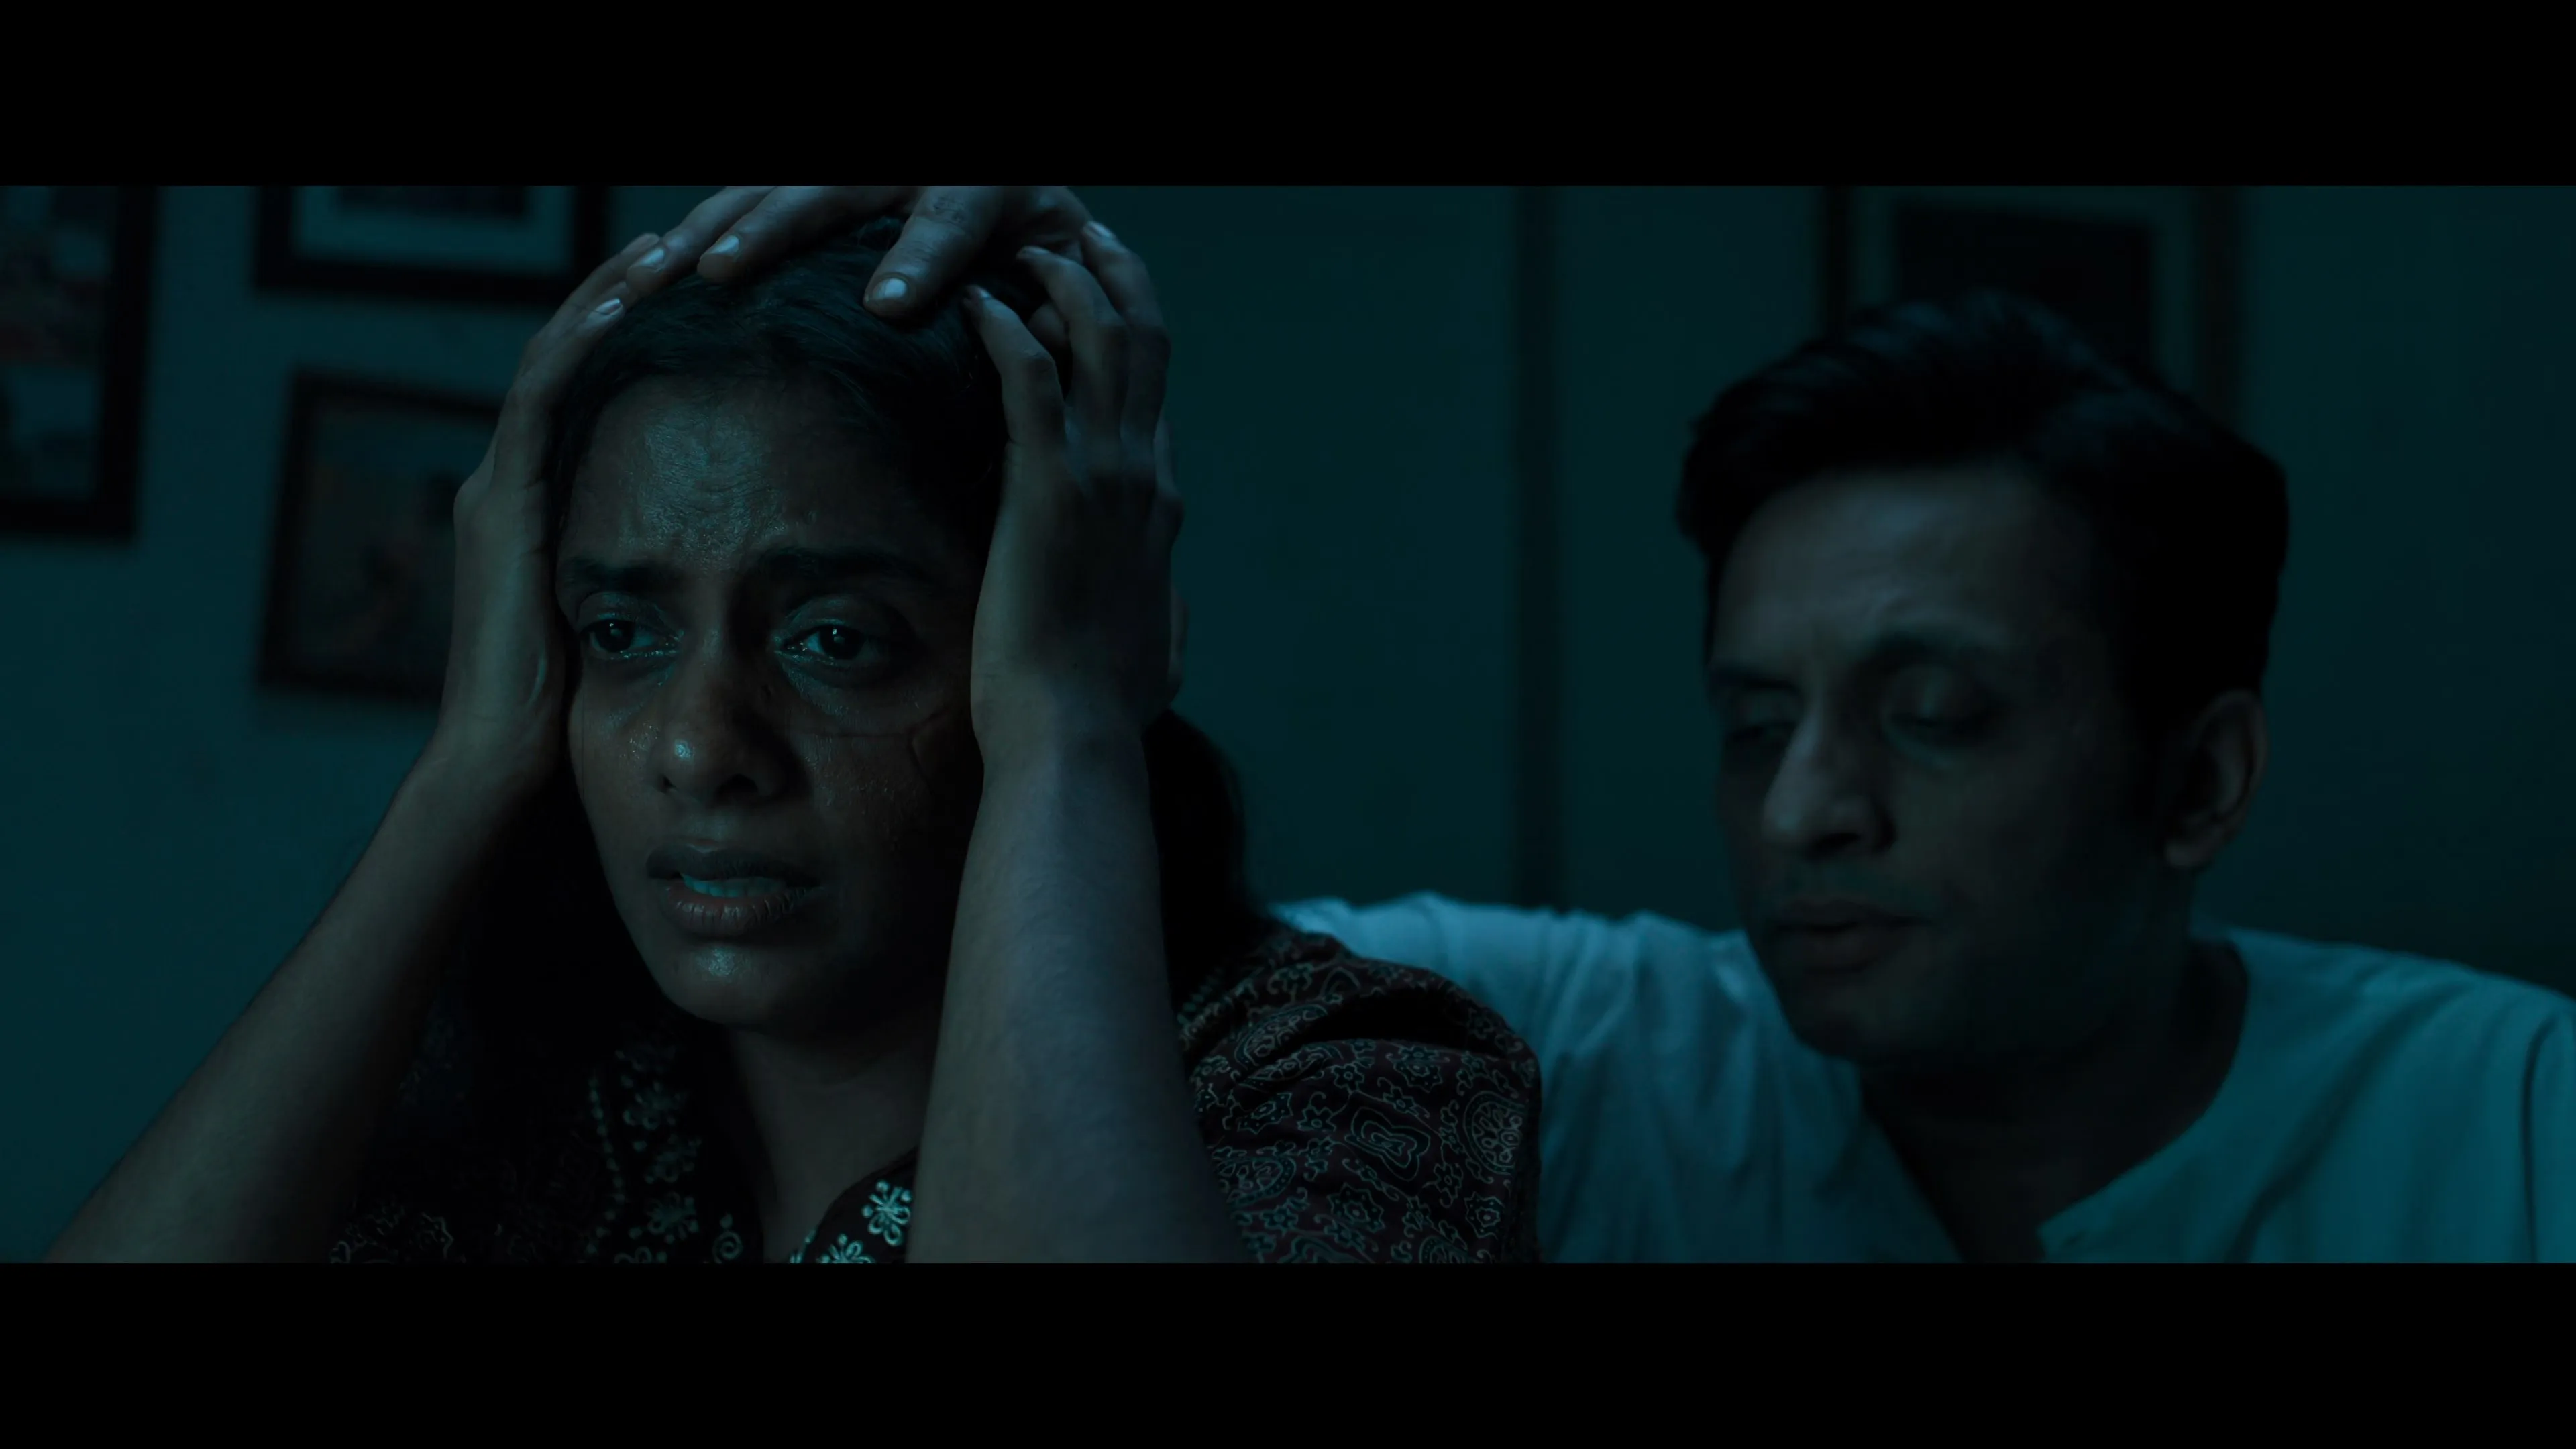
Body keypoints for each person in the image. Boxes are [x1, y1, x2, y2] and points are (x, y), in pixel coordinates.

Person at [587, 187, 2576, 1261]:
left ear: (2200, 779)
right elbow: (1031, 977)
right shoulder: (1601, 1050)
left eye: (1936, 718)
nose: (1808, 810)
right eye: (1754, 720)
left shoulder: (2515, 1123)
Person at [44, 206, 1540, 1264]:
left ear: (1054, 638)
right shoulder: (540, 1108)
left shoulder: (1353, 1084)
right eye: (622, 634)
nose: (699, 749)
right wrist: (468, 765)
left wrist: (1071, 730)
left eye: (836, 641)